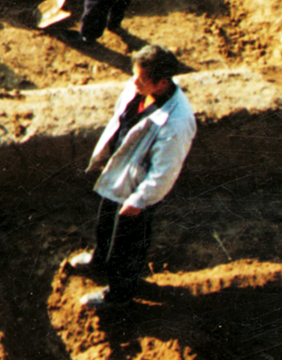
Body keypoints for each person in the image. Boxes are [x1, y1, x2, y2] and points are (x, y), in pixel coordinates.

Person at [67, 44, 196, 308]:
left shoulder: (177, 122)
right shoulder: (139, 88)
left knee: (127, 247)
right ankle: (99, 261)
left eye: (140, 78)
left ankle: (119, 295)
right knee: (105, 224)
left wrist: (139, 201)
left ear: (161, 83)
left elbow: (165, 172)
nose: (133, 81)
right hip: (120, 173)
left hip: (138, 191)